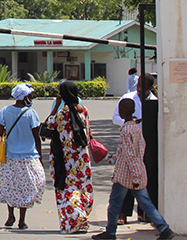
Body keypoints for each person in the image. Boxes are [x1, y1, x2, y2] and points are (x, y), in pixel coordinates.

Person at [91, 98, 175, 240]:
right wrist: (113, 158)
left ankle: (110, 232)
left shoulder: (126, 131)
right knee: (146, 203)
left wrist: (135, 175)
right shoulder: (135, 128)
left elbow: (130, 155)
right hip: (136, 172)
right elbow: (133, 151)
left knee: (115, 204)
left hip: (125, 175)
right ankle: (164, 228)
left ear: (121, 112)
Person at [0, 83, 45, 230]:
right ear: (25, 97)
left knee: (11, 186)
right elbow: (36, 136)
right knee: (26, 187)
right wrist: (40, 156)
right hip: (28, 157)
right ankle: (22, 220)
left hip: (9, 156)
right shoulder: (31, 113)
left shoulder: (5, 111)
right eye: (30, 95)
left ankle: (10, 215)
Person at [45, 80, 93, 234]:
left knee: (67, 189)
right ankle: (83, 216)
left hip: (65, 158)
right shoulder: (84, 110)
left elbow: (48, 125)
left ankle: (75, 221)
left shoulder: (62, 113)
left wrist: (55, 106)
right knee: (82, 186)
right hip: (82, 157)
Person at [111, 73, 157, 225]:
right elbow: (116, 117)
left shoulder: (155, 101)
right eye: (138, 86)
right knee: (128, 180)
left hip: (147, 142)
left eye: (143, 88)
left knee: (145, 178)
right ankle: (123, 213)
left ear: (151, 87)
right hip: (132, 137)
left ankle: (146, 215)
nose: (139, 90)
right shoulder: (128, 98)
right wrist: (129, 122)